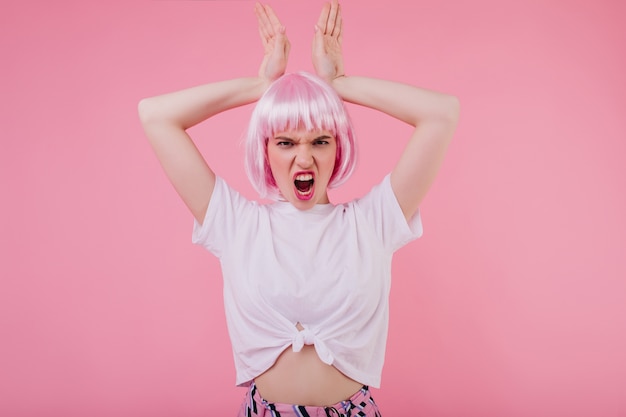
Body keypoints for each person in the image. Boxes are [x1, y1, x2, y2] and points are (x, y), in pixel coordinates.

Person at [138, 1, 459, 415]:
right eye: (286, 142)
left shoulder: (372, 222)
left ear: (338, 148)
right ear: (266, 150)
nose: (303, 159)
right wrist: (262, 86)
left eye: (319, 141)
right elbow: (155, 116)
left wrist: (339, 83)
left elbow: (441, 114)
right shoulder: (238, 225)